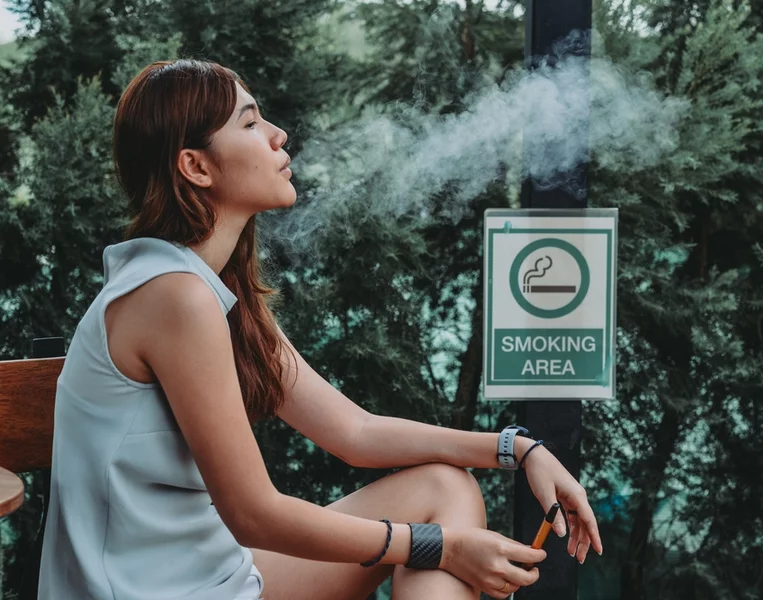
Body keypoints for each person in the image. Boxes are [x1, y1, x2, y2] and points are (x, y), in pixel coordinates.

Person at [37, 59, 602, 600]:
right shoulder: (174, 297)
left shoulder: (205, 288)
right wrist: (438, 547)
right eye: (252, 123)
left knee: (444, 486)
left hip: (209, 573)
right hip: (152, 592)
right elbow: (254, 513)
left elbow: (354, 433)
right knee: (438, 530)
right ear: (197, 167)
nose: (279, 135)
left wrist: (519, 449)